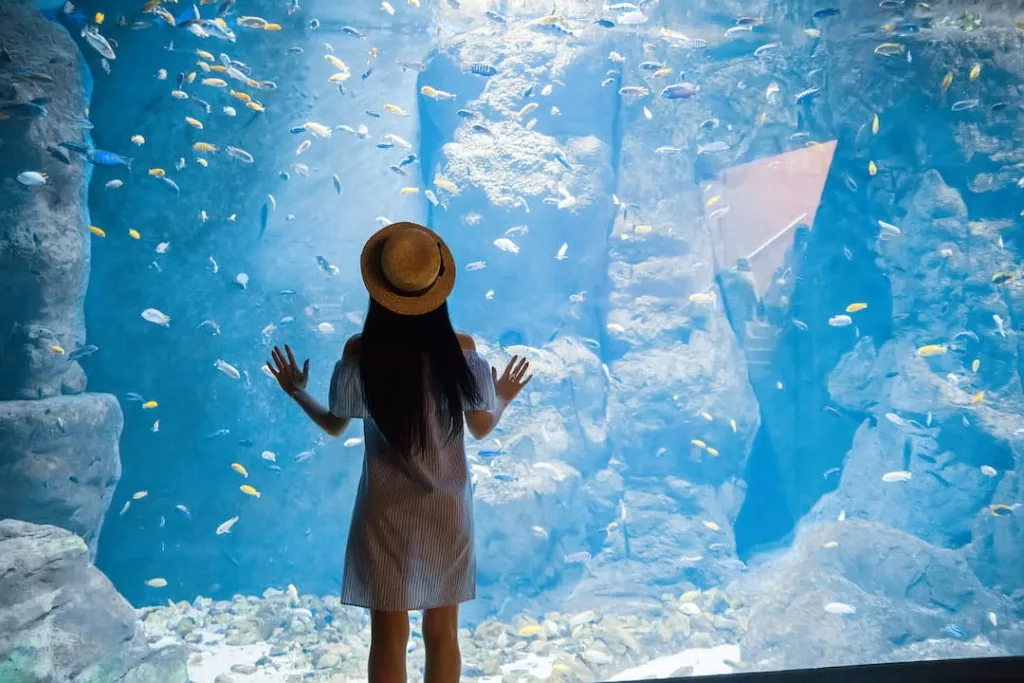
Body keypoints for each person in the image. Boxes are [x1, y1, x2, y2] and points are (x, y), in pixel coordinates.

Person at [266, 222, 532, 683]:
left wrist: (297, 392)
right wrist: (504, 393)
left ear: (380, 289)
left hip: (385, 510)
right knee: (443, 633)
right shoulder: (460, 348)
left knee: (388, 636)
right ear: (435, 289)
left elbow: (334, 425)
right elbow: (482, 427)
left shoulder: (361, 351)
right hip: (446, 509)